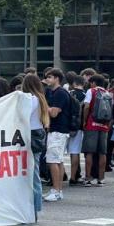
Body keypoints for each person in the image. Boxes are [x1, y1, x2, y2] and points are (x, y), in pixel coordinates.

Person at [21, 74, 50, 216]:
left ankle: (34, 209)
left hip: (31, 134)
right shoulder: (40, 98)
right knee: (34, 171)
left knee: (33, 173)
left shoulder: (31, 99)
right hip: (38, 133)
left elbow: (23, 116)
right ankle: (35, 208)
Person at [43, 69, 71, 202]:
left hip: (58, 130)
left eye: (49, 77)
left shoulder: (60, 93)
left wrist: (43, 106)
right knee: (58, 160)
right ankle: (57, 190)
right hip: (58, 130)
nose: (47, 79)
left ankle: (56, 189)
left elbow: (54, 113)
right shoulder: (53, 92)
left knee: (53, 160)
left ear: (57, 78)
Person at [81, 73, 112, 186]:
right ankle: (101, 178)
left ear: (93, 83)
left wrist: (84, 120)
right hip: (104, 126)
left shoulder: (91, 91)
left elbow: (87, 106)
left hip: (91, 124)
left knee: (89, 152)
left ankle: (88, 177)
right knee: (102, 152)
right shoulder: (108, 94)